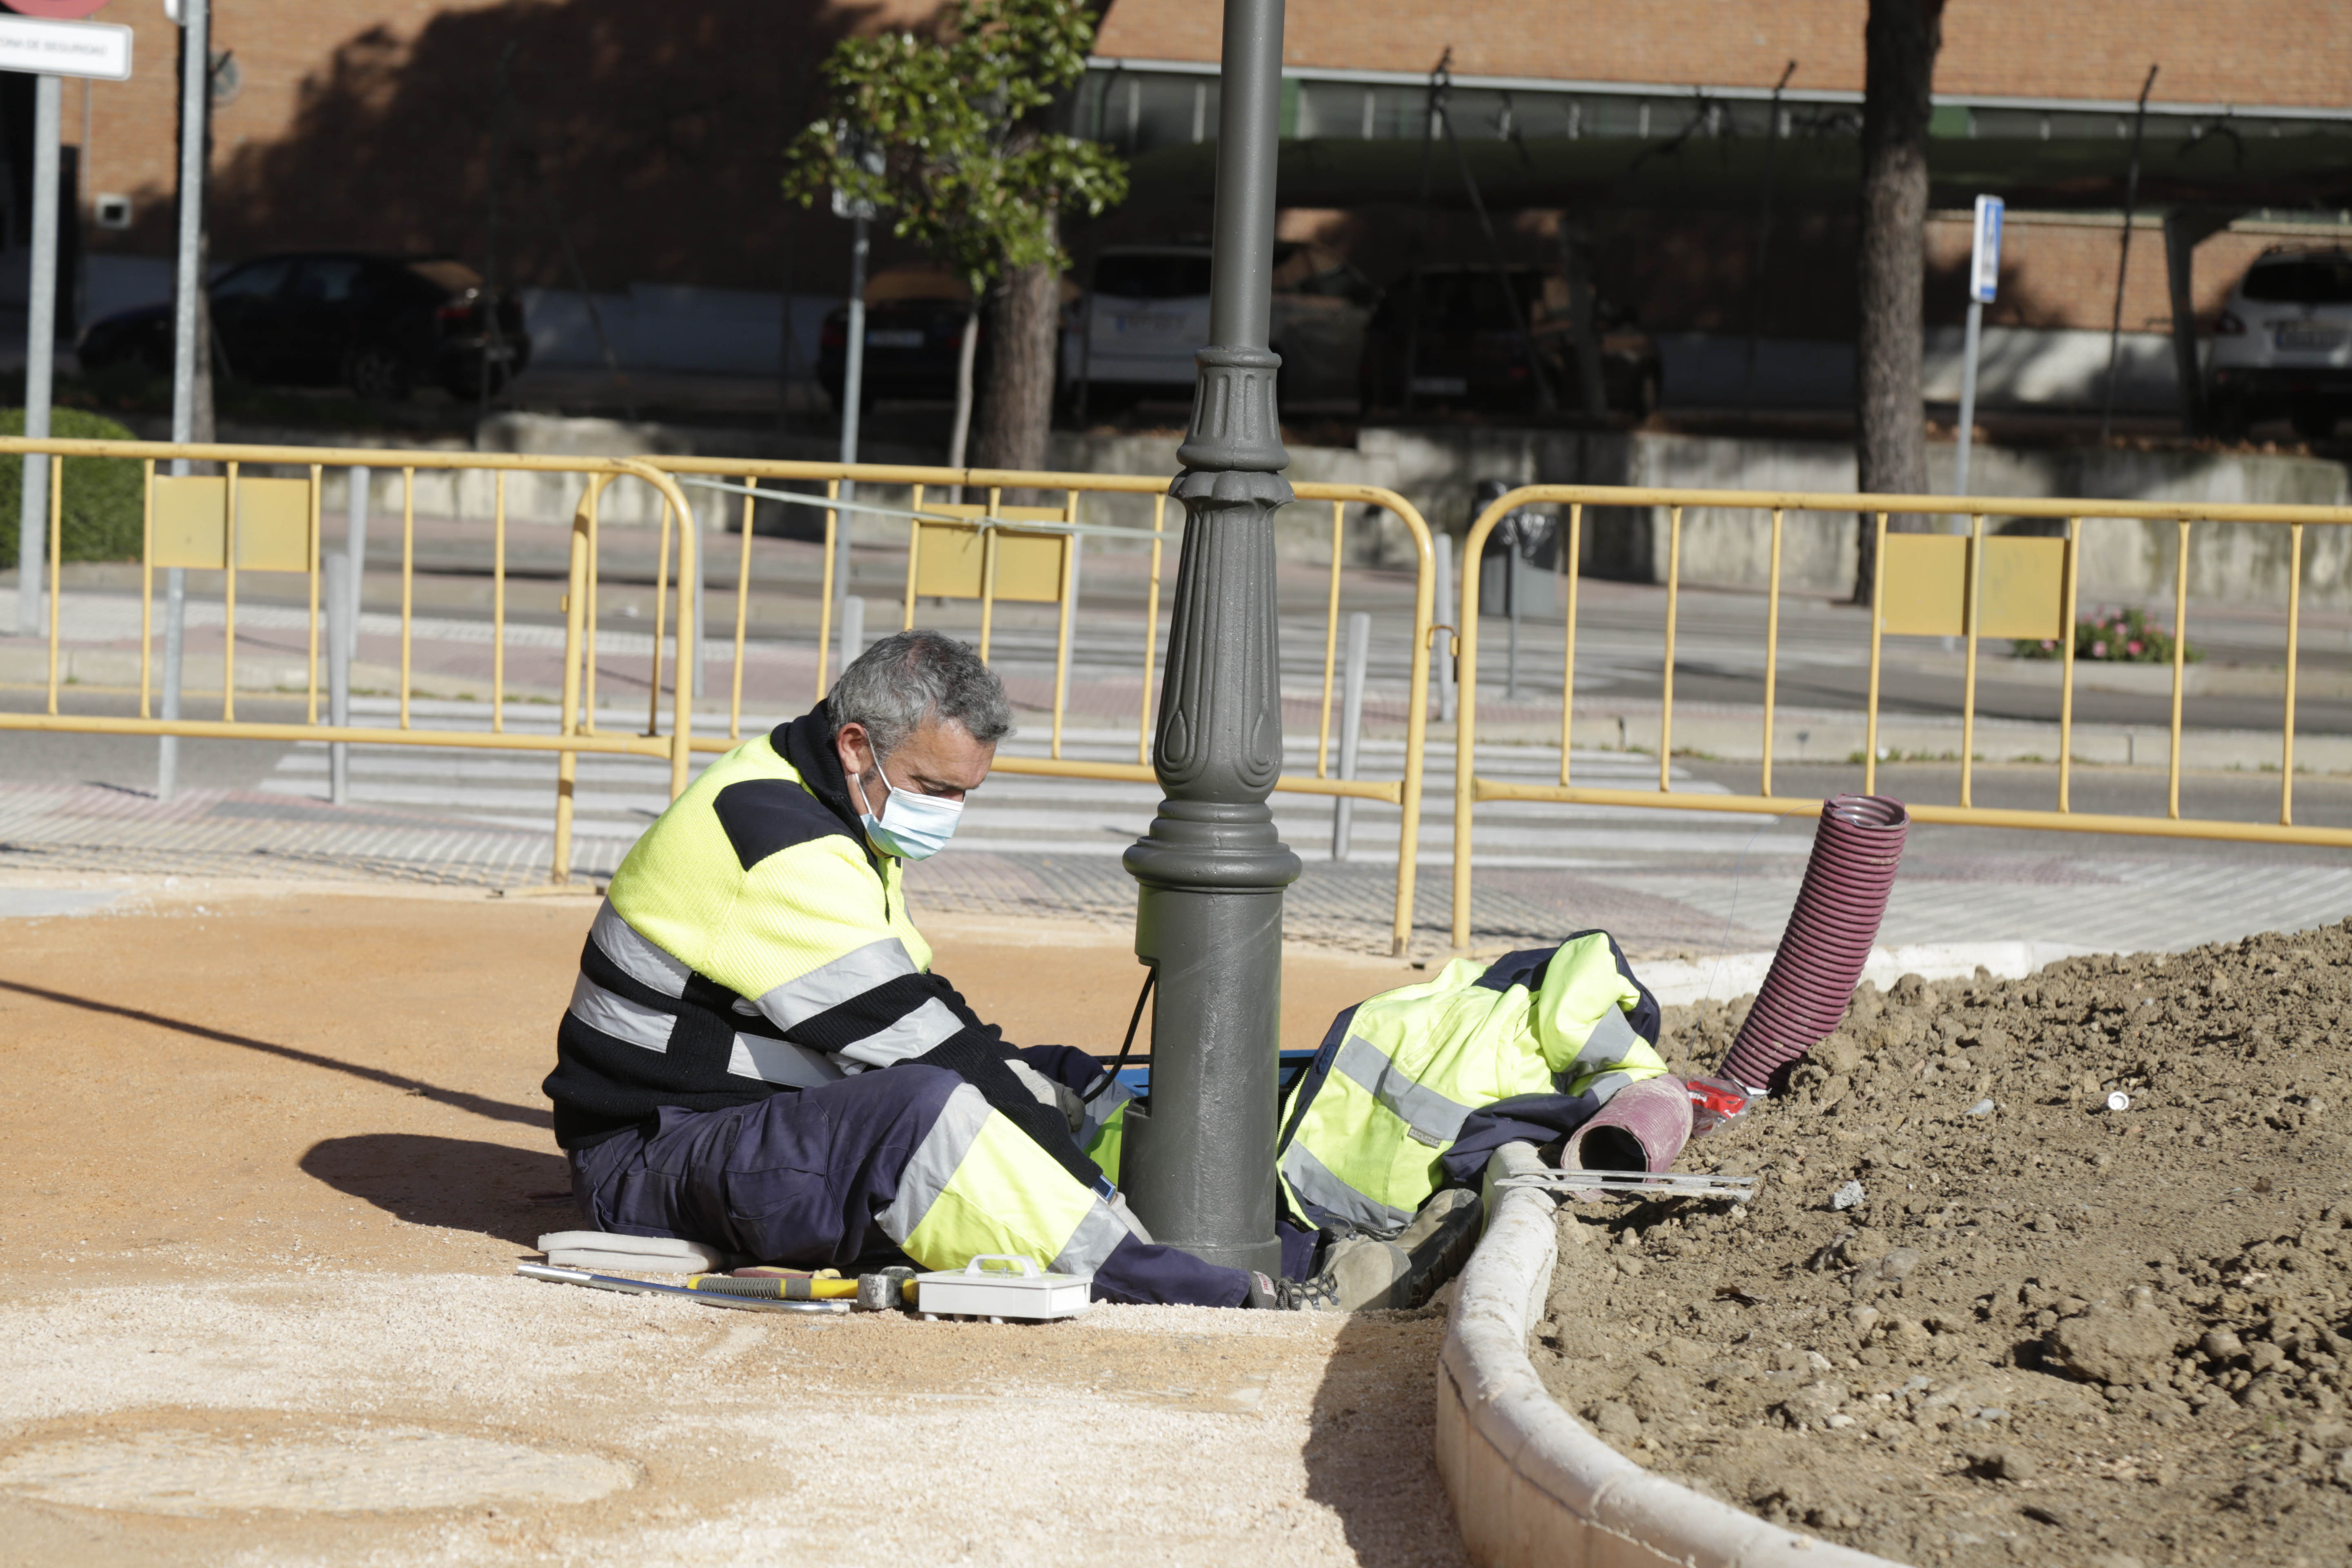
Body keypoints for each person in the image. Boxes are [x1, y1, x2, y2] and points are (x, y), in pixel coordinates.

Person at [545, 630, 1317, 1307]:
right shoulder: (778, 844)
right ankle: (1185, 1281)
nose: (947, 811)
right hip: (647, 1160)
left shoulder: (823, 800)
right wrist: (1088, 1188)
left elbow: (924, 1010)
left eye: (964, 793)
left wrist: (1043, 1101)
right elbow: (923, 1050)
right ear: (856, 746)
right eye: (934, 788)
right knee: (928, 1110)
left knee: (1057, 1078)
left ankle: (1259, 1238)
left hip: (731, 1117)